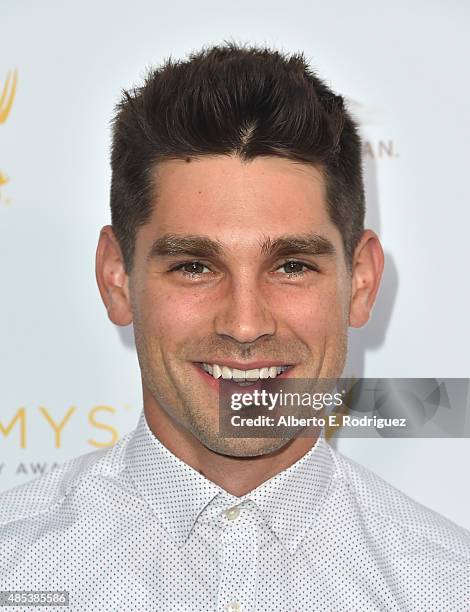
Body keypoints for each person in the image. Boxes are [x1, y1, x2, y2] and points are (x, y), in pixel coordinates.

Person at [0, 41, 469, 612]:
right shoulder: (13, 563)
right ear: (117, 277)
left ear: (362, 282)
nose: (245, 325)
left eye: (292, 266)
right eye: (194, 267)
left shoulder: (448, 585)